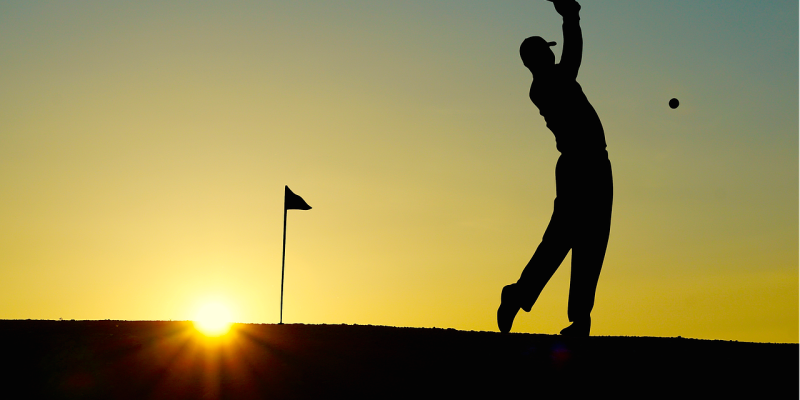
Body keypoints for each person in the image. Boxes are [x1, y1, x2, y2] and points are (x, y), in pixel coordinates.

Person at [497, 0, 613, 336]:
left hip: (594, 163)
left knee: (592, 240)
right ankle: (520, 294)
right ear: (538, 58)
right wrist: (570, 17)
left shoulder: (551, 80)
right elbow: (573, 56)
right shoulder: (547, 85)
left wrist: (571, 17)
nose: (552, 54)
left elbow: (570, 59)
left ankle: (578, 319)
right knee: (564, 238)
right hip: (580, 166)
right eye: (547, 51)